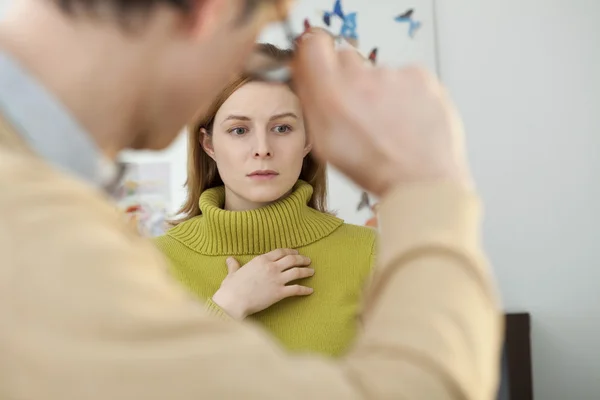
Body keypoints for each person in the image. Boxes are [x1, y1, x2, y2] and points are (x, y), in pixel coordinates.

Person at [0, 0, 503, 399]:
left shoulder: (49, 217)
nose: (261, 146)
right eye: (261, 31)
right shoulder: (37, 230)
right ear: (210, 9)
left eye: (282, 125)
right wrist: (430, 183)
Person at [155, 43, 376, 357]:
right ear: (209, 145)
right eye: (239, 130)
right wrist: (227, 307)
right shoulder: (151, 263)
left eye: (282, 128)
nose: (262, 148)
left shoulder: (368, 253)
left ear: (309, 139)